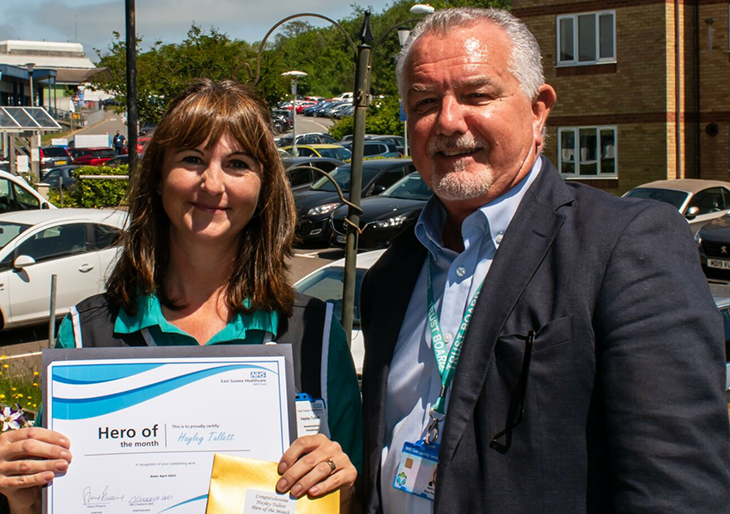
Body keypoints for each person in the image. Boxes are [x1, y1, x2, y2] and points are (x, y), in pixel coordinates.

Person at [360, 7, 730, 514]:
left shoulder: (625, 245)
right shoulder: (391, 272)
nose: (446, 121)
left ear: (538, 110)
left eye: (477, 95)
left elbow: (678, 485)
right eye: (424, 102)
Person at [0, 79, 361, 513]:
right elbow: (54, 499)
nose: (212, 184)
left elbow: (351, 504)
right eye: (192, 159)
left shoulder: (317, 335)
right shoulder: (85, 335)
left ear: (265, 187)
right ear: (158, 176)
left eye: (238, 164)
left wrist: (344, 485)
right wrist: (23, 497)